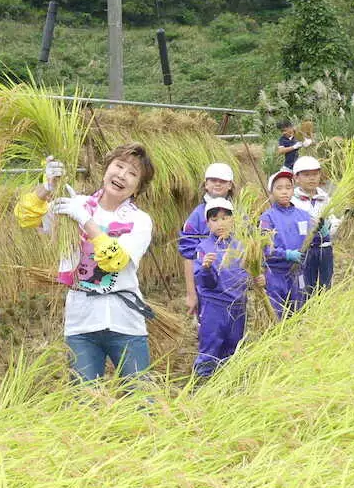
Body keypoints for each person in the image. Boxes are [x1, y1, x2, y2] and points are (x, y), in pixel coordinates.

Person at [15, 145, 156, 383]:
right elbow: (26, 217)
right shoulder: (75, 204)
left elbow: (114, 260)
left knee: (140, 398)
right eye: (118, 166)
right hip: (81, 323)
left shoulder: (139, 221)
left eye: (132, 173)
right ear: (106, 169)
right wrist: (47, 186)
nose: (122, 175)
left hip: (126, 323)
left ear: (138, 188)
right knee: (84, 398)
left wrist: (85, 220)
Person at [192, 198, 249, 380]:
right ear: (207, 223)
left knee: (233, 347)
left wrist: (258, 278)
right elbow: (205, 283)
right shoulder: (204, 249)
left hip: (238, 306)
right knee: (210, 348)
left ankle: (227, 385)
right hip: (214, 308)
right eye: (214, 220)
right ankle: (202, 384)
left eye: (224, 218)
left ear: (232, 220)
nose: (220, 224)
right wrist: (206, 268)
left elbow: (249, 273)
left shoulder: (241, 246)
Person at [178, 163, 236, 316]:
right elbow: (188, 257)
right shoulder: (196, 217)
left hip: (235, 292)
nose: (217, 183)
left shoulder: (240, 213)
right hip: (208, 293)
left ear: (230, 185)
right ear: (206, 184)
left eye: (222, 181)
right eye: (213, 180)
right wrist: (191, 294)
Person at [259, 169, 311, 317]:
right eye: (279, 188)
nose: (284, 192)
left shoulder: (303, 216)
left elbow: (313, 238)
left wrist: (323, 232)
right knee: (278, 315)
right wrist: (286, 254)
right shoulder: (267, 218)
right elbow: (265, 248)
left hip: (298, 273)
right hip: (276, 275)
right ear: (271, 192)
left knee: (298, 313)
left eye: (288, 187)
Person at [292, 155, 339, 292]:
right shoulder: (293, 201)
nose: (312, 178)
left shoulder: (325, 198)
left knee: (325, 287)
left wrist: (329, 230)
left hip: (324, 249)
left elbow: (333, 221)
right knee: (305, 287)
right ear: (296, 178)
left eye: (315, 174)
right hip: (304, 250)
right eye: (306, 175)